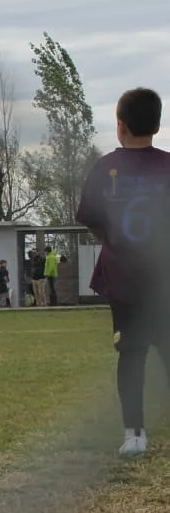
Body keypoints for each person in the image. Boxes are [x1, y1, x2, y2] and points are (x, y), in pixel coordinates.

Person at [76, 87, 170, 456]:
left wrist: (113, 244)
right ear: (157, 125)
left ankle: (135, 434)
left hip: (124, 278)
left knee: (131, 354)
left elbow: (91, 219)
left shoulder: (105, 168)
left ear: (120, 125)